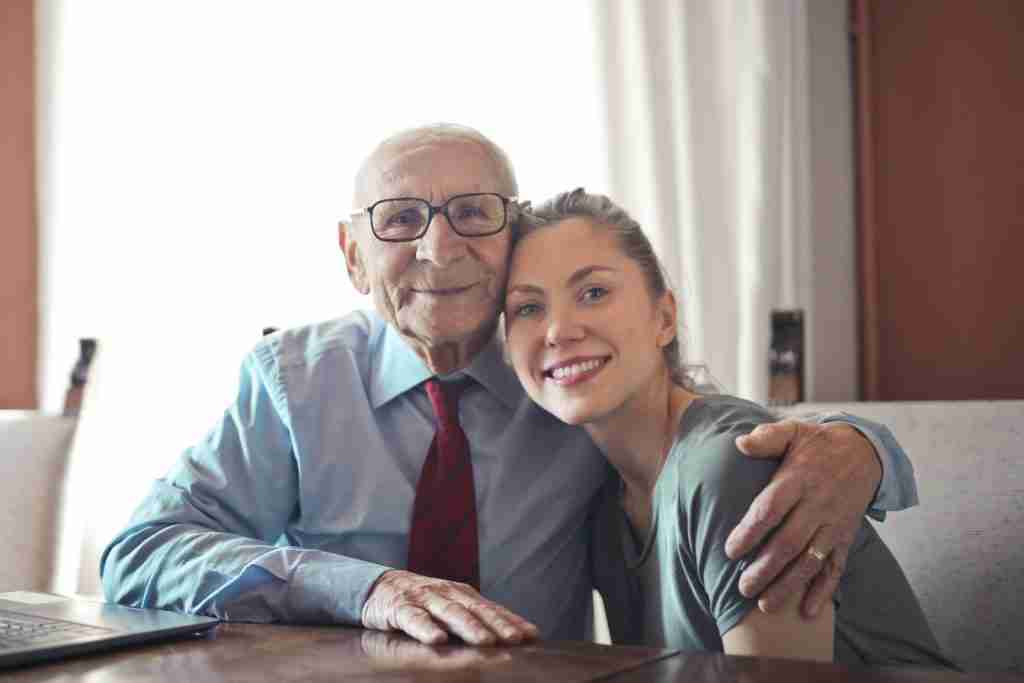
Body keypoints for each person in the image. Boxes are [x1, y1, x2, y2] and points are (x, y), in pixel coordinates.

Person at [101, 124, 919, 646]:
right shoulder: (292, 382)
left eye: (472, 212)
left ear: (509, 239)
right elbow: (138, 553)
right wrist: (366, 588)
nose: (438, 246)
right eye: (398, 219)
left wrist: (862, 448)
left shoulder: (565, 380)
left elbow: (712, 440)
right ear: (353, 257)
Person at [503, 188, 955, 666]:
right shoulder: (603, 505)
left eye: (593, 293)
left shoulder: (731, 466)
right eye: (528, 308)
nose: (557, 330)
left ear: (665, 317)